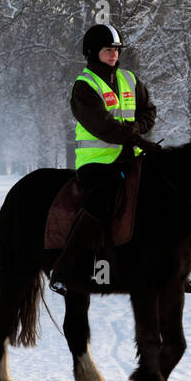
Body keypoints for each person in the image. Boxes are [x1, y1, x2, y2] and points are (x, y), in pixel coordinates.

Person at [49, 23, 158, 296]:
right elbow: (103, 127)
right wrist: (137, 138)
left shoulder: (131, 80)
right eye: (108, 50)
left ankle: (167, 264)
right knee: (101, 202)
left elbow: (148, 112)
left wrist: (137, 130)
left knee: (163, 193)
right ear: (91, 52)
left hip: (130, 157)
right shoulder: (84, 86)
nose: (113, 55)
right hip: (97, 161)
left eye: (116, 50)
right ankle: (64, 269)